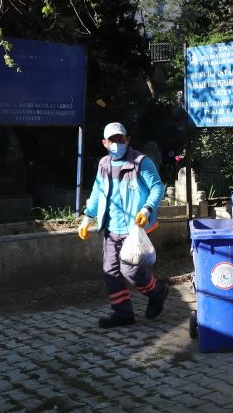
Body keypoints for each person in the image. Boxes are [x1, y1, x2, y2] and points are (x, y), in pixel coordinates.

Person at [78, 122, 168, 328]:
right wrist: (87, 218)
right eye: (112, 140)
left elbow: (157, 188)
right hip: (111, 229)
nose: (116, 143)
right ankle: (123, 313)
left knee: (131, 271)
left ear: (127, 140)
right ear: (104, 143)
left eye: (120, 139)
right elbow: (96, 193)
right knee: (111, 273)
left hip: (134, 229)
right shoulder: (104, 164)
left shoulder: (141, 162)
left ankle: (157, 292)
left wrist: (147, 209)